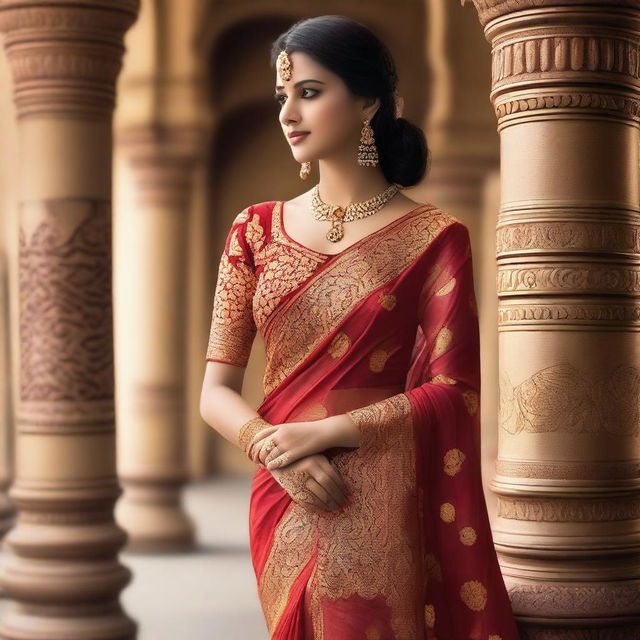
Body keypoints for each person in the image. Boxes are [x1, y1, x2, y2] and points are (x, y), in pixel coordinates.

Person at [199, 14, 520, 640]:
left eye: (310, 92)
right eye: (281, 96)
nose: (289, 112)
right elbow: (214, 391)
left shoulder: (434, 237)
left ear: (370, 101)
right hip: (283, 485)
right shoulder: (255, 231)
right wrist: (273, 449)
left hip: (375, 483)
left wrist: (327, 432)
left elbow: (454, 391)